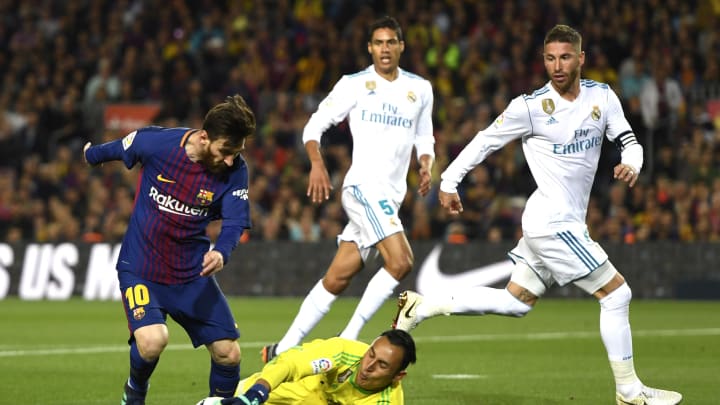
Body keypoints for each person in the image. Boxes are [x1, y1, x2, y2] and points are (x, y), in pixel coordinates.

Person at [393, 25, 682, 405]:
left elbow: (628, 139)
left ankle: (424, 305)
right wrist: (449, 180)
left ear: (581, 58)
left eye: (564, 57)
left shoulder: (602, 97)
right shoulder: (530, 107)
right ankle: (629, 392)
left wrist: (632, 162)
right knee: (617, 294)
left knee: (516, 302)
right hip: (551, 222)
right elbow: (485, 140)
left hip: (564, 220)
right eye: (549, 58)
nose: (557, 66)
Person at [262, 16, 435, 362]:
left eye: (391, 43)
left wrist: (426, 162)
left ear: (401, 46)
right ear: (369, 48)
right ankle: (349, 337)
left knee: (338, 277)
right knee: (401, 262)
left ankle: (279, 349)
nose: (384, 49)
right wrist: (317, 162)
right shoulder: (354, 84)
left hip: (389, 197)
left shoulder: (421, 89)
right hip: (362, 188)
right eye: (378, 43)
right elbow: (313, 127)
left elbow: (424, 135)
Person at [82, 95, 256, 404]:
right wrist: (91, 155)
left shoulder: (235, 170)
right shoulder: (157, 144)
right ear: (204, 137)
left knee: (228, 353)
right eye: (226, 151)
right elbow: (117, 148)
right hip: (142, 267)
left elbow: (233, 223)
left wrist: (222, 252)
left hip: (191, 274)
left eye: (237, 152)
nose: (231, 160)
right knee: (152, 341)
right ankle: (135, 392)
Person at [201, 329, 416, 405]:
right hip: (302, 389)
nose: (368, 366)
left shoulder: (386, 402)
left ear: (398, 376)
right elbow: (291, 363)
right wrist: (258, 392)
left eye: (382, 365)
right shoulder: (344, 350)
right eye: (371, 354)